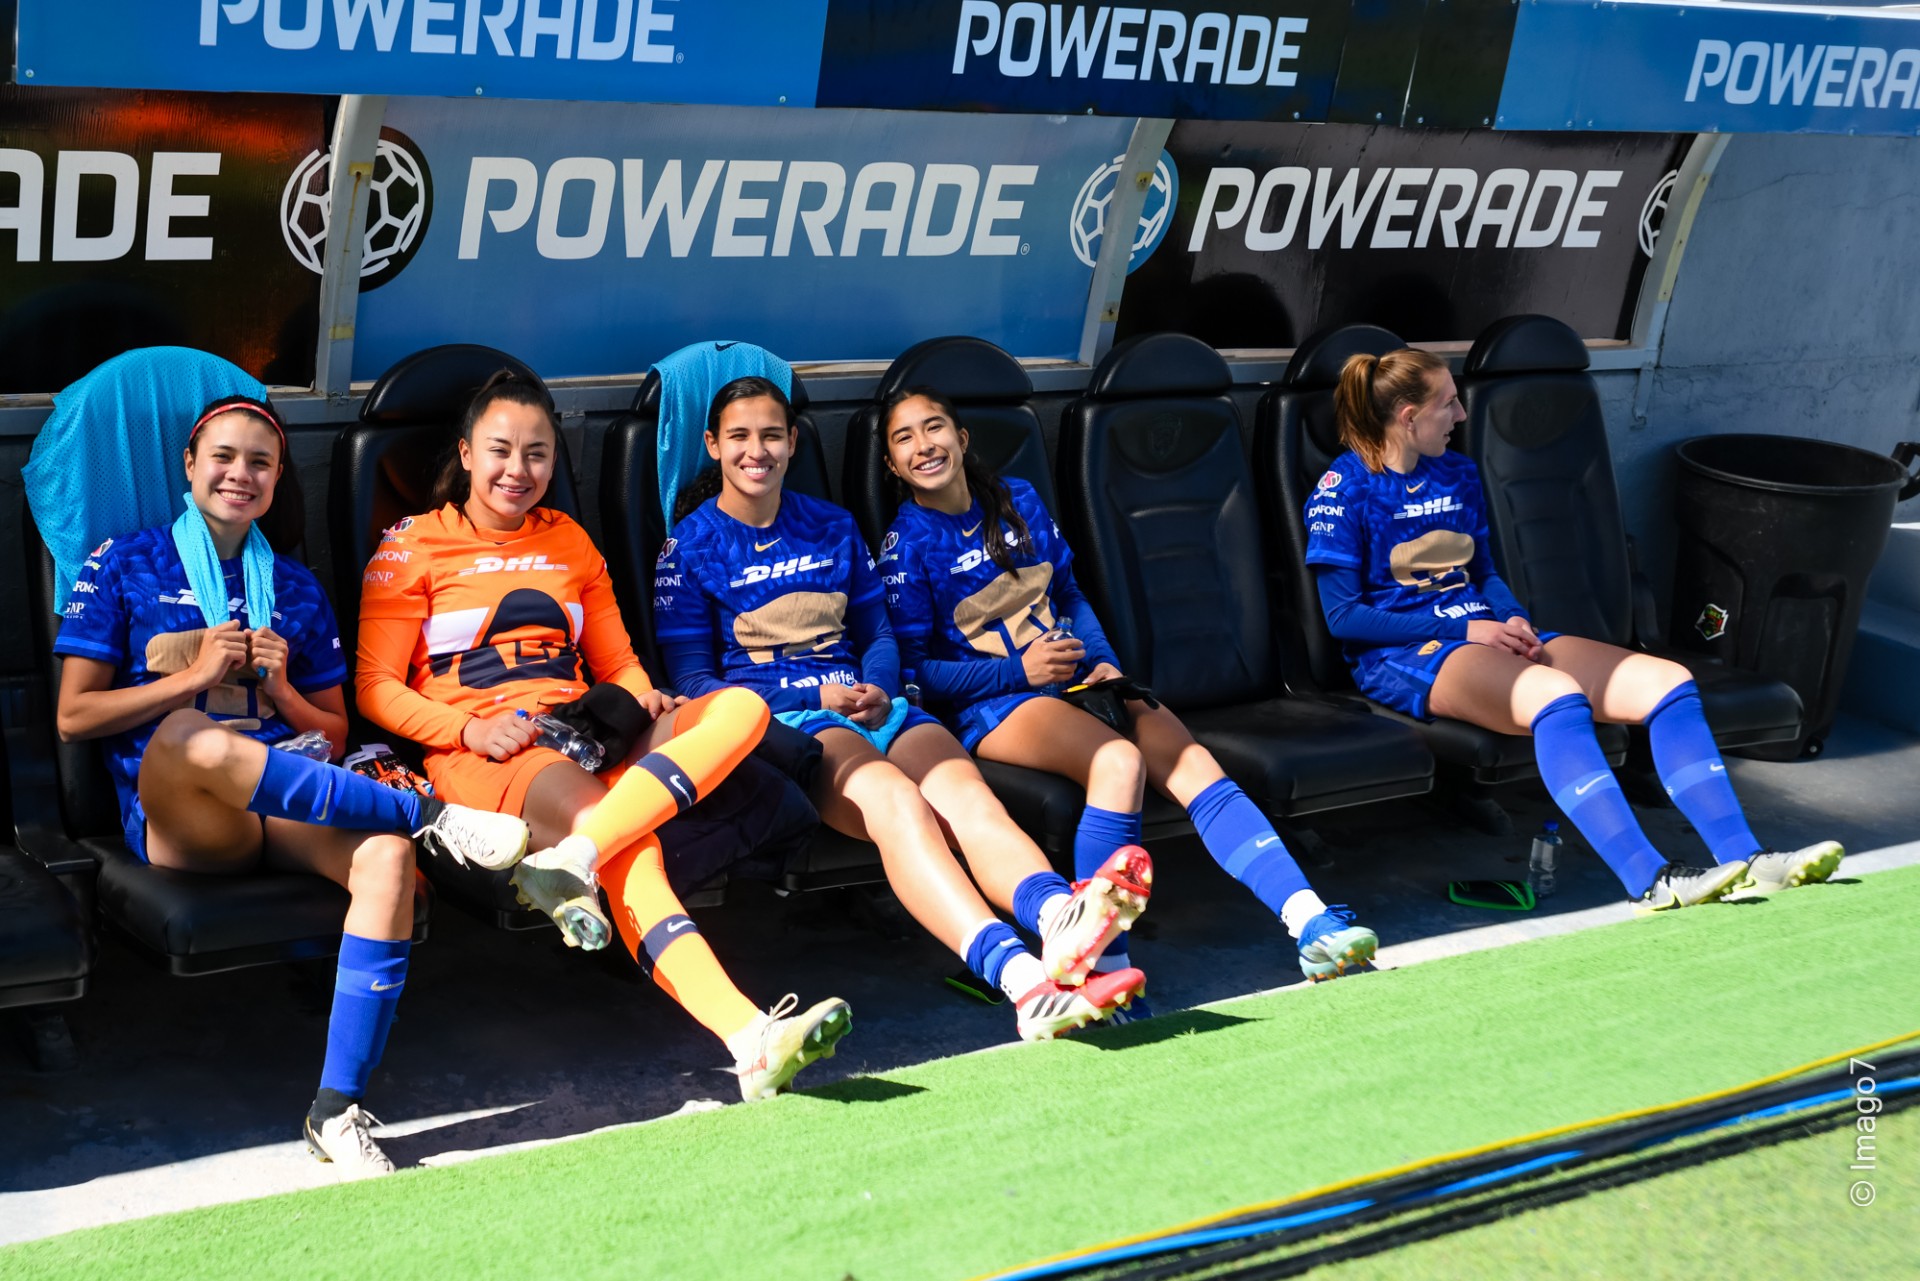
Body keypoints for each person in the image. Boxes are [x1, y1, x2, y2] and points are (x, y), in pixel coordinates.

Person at [53, 394, 532, 1176]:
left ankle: (336, 1109)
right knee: (187, 732)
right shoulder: (124, 561)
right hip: (186, 813)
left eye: (260, 463)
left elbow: (332, 732)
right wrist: (194, 677)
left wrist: (280, 692)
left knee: (385, 857)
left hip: (287, 796)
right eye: (223, 457)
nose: (240, 475)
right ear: (190, 464)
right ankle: (428, 813)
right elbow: (74, 716)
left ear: (278, 478)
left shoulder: (295, 585)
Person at [355, 371, 849, 1100]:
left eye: (537, 453)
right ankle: (751, 1039)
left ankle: (575, 860)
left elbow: (618, 662)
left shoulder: (569, 538)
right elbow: (374, 687)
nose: (518, 470)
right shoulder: (413, 545)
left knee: (741, 709)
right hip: (492, 749)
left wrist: (643, 696)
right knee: (628, 841)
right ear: (465, 453)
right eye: (500, 450)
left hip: (587, 726)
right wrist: (469, 726)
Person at [656, 377, 1150, 1041]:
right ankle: (1024, 981)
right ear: (713, 445)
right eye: (739, 437)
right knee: (900, 803)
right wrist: (816, 697)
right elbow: (695, 684)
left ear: (793, 442)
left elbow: (878, 633)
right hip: (789, 721)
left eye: (772, 435)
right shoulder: (688, 547)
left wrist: (879, 687)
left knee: (970, 801)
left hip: (875, 703)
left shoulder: (831, 524)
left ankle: (1060, 919)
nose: (757, 451)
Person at [878, 388, 1377, 995]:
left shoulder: (1018, 499)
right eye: (904, 438)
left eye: (934, 427)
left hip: (1073, 680)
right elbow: (914, 674)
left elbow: (1069, 594)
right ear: (892, 465)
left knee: (1190, 759)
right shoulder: (907, 543)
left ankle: (1310, 922)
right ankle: (1103, 975)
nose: (924, 445)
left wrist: (1105, 664)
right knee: (1117, 761)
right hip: (995, 705)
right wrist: (1019, 674)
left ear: (961, 437)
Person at [1307, 348, 1843, 910]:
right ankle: (1651, 880)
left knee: (1669, 683)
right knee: (1557, 696)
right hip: (1407, 654)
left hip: (1486, 632)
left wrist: (1510, 616)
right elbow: (1345, 619)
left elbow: (1483, 573)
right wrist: (1471, 634)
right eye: (1448, 404)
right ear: (1408, 417)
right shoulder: (1344, 490)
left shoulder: (1456, 473)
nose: (1461, 415)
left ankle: (1749, 858)